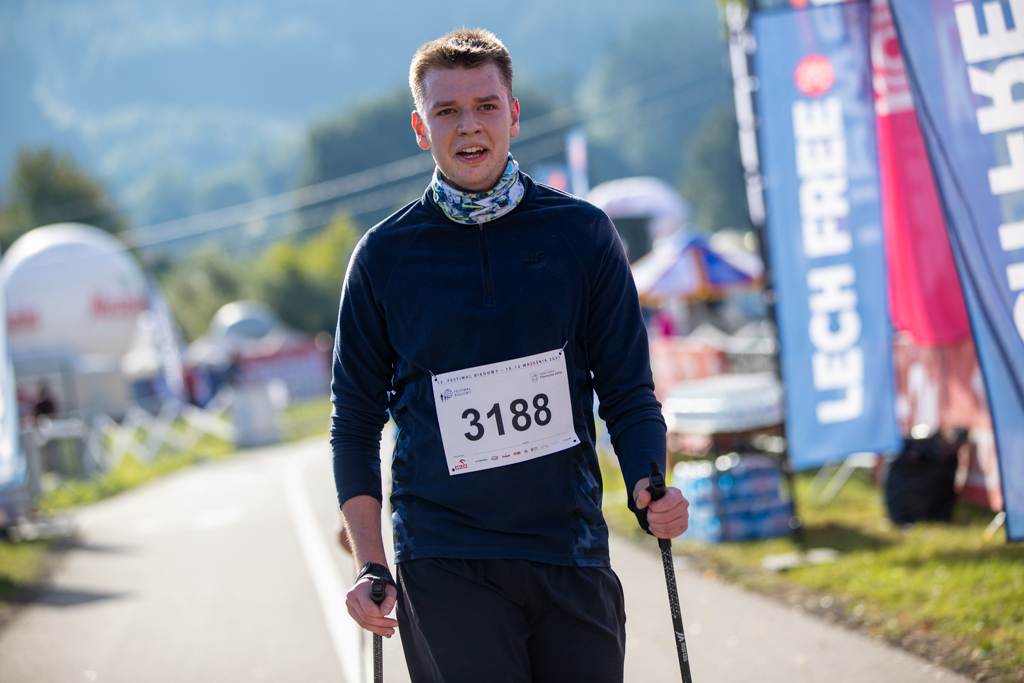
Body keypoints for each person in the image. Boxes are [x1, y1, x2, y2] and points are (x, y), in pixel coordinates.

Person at [330, 28, 689, 683]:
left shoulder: (582, 234)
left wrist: (648, 482)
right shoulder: (383, 257)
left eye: (486, 106)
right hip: (444, 555)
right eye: (446, 110)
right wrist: (370, 560)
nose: (469, 126)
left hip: (569, 545)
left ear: (514, 115)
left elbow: (628, 392)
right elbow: (353, 423)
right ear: (421, 128)